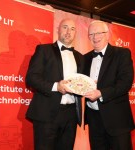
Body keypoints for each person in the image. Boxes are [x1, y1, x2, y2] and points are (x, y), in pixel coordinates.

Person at [25, 18, 84, 150]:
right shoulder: (43, 50)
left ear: (75, 33)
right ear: (58, 29)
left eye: (72, 29)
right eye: (65, 27)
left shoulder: (81, 57)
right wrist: (55, 86)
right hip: (47, 112)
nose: (68, 32)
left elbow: (82, 82)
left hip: (71, 114)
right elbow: (31, 78)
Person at [83, 20, 135, 150]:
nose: (95, 37)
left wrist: (100, 93)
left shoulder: (122, 54)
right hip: (94, 119)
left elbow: (125, 83)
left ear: (107, 34)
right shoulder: (85, 58)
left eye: (98, 33)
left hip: (117, 120)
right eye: (91, 34)